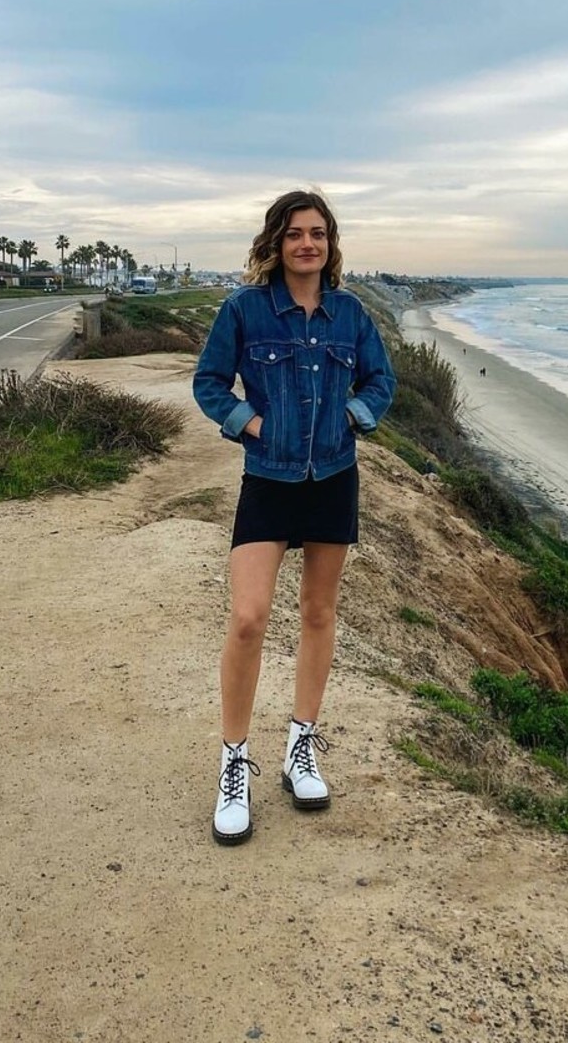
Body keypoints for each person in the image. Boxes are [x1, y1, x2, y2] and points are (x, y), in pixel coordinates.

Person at [193, 191, 396, 845]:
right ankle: (234, 762)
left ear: (330, 244)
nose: (307, 244)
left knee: (317, 613)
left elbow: (381, 382)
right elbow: (208, 382)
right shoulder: (245, 309)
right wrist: (251, 425)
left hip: (334, 478)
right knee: (248, 618)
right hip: (268, 480)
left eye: (318, 234)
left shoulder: (350, 313)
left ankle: (300, 748)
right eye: (295, 234)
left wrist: (351, 419)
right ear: (276, 243)